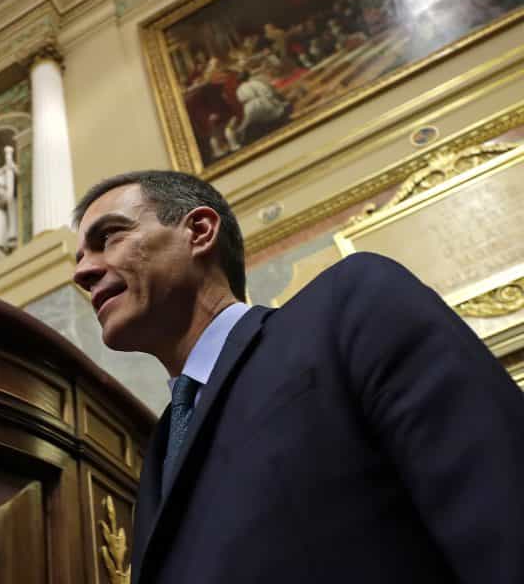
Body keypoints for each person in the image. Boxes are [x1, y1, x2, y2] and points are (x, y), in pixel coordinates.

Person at [71, 170, 524, 584]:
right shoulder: (160, 449)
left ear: (200, 231)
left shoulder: (348, 305)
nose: (83, 272)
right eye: (81, 256)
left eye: (108, 237)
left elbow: (500, 497)